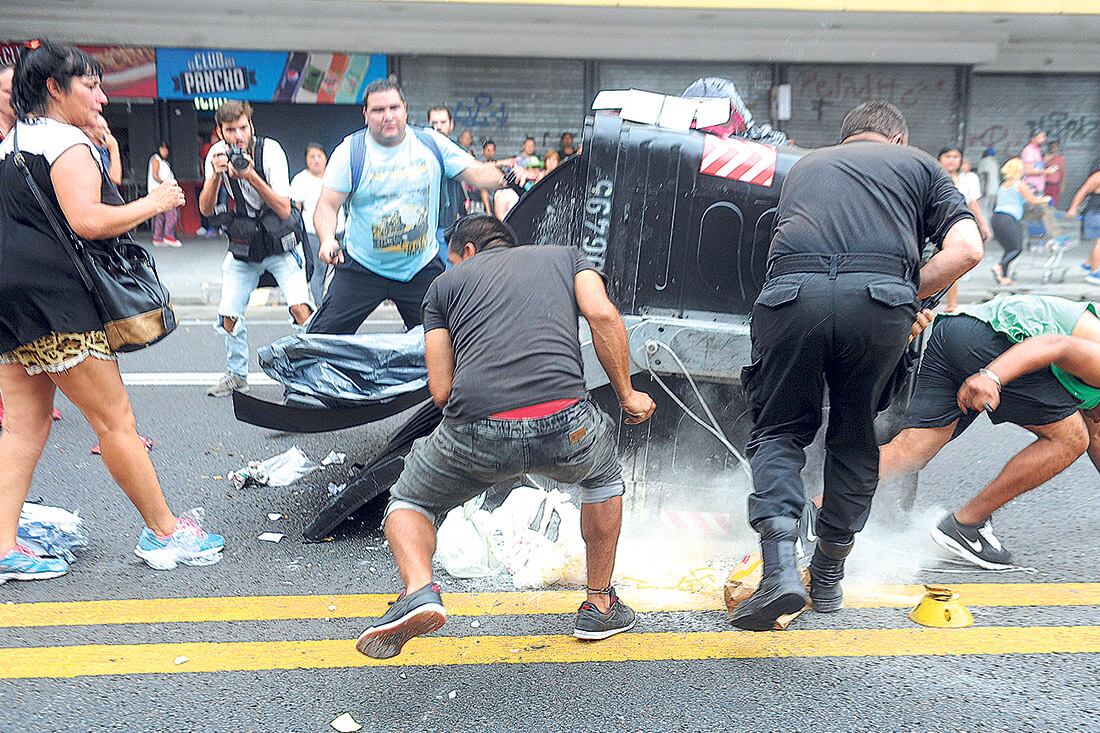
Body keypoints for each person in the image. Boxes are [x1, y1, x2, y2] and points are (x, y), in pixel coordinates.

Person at [354, 215, 656, 659]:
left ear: (468, 252)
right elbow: (603, 314)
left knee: (410, 502)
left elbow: (441, 390)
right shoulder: (567, 258)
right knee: (603, 478)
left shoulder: (444, 287)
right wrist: (628, 394)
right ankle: (600, 604)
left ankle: (418, 589)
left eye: (453, 258)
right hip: (565, 422)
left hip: (477, 430)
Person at [731, 101, 982, 631]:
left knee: (779, 430)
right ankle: (826, 575)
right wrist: (904, 295)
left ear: (847, 140)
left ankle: (779, 571)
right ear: (896, 139)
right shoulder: (919, 164)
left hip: (791, 296)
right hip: (879, 303)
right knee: (853, 437)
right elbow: (967, 248)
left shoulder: (804, 165)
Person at [0, 42, 224, 582]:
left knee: (24, 429)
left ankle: (5, 545)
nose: (102, 96)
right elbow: (87, 221)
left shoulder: (14, 141)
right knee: (115, 421)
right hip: (58, 304)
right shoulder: (65, 142)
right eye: (90, 85)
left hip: (11, 300)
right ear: (54, 88)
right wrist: (158, 202)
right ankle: (165, 530)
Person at [881, 295, 1100, 569]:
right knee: (1070, 438)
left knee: (910, 451)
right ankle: (965, 527)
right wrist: (991, 376)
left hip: (957, 332)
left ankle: (820, 512)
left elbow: (1097, 438)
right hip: (992, 344)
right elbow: (1057, 345)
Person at [308, 80, 515, 334]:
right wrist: (327, 239)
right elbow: (327, 206)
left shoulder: (431, 144)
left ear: (405, 109)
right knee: (319, 342)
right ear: (365, 114)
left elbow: (477, 172)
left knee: (449, 342)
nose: (388, 116)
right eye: (378, 110)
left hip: (419, 267)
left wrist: (510, 177)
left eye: (394, 108)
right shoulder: (351, 151)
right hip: (363, 267)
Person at [199, 100, 313, 397]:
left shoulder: (270, 151)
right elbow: (205, 208)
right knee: (228, 313)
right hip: (245, 244)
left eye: (242, 128)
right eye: (230, 130)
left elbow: (284, 209)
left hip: (279, 241)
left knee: (301, 309)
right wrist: (214, 176)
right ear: (220, 131)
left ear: (251, 126)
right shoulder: (216, 154)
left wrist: (251, 176)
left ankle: (312, 372)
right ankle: (237, 375)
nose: (237, 136)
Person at [938, 147, 991, 312]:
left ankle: (951, 304)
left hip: (955, 228)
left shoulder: (966, 180)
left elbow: (973, 203)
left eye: (956, 156)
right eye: (948, 156)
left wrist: (983, 224)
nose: (952, 160)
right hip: (934, 227)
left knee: (953, 266)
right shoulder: (933, 176)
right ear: (940, 158)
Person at [290, 142, 339, 305]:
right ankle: (320, 307)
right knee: (318, 273)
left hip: (339, 232)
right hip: (312, 234)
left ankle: (335, 305)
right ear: (306, 160)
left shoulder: (336, 175)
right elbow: (295, 209)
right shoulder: (300, 180)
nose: (316, 160)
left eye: (319, 156)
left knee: (339, 273)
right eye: (312, 157)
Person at [990, 158, 1051, 286]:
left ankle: (1004, 277)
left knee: (1009, 248)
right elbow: (1033, 200)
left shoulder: (1004, 184)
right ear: (1018, 170)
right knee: (1017, 248)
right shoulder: (1019, 184)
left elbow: (1017, 200)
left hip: (996, 218)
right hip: (1008, 219)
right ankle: (999, 266)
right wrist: (1046, 198)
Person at [1019, 128, 1058, 241]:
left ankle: (1022, 233)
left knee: (1037, 212)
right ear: (1033, 138)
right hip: (1032, 188)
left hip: (1038, 188)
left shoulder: (1037, 150)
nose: (1044, 139)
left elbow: (1035, 167)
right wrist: (1046, 171)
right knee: (1045, 210)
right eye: (1042, 137)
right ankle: (1055, 237)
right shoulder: (1029, 150)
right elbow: (1027, 170)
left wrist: (1044, 162)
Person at [1067, 163, 1100, 282]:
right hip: (1095, 214)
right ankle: (1096, 272)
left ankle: (1087, 265)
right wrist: (1073, 208)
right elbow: (1082, 192)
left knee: (1098, 242)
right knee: (1099, 243)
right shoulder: (1097, 177)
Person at [147, 141, 180, 247]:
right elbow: (155, 175)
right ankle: (168, 235)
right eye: (163, 149)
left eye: (166, 149)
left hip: (163, 189)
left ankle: (157, 237)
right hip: (161, 190)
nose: (165, 151)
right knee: (171, 213)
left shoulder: (164, 162)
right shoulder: (156, 159)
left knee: (160, 215)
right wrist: (166, 184)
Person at [82, 113, 121, 187]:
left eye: (107, 127)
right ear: (90, 132)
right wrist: (114, 149)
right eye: (102, 128)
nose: (108, 131)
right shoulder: (91, 154)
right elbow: (114, 179)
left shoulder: (105, 150)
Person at [976, 147, 1000, 222]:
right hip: (995, 190)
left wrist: (984, 189)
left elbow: (985, 175)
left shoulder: (983, 161)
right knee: (989, 211)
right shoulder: (995, 162)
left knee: (982, 209)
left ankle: (983, 228)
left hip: (986, 189)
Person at [1044, 139, 1066, 207]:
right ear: (1049, 148)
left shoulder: (1060, 159)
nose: (1053, 148)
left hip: (1054, 186)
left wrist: (1062, 185)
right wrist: (1045, 161)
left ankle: (1052, 215)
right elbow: (1038, 170)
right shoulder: (1044, 158)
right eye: (1052, 147)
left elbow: (1062, 173)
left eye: (1055, 147)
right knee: (1044, 204)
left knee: (1053, 203)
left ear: (1058, 148)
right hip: (1045, 185)